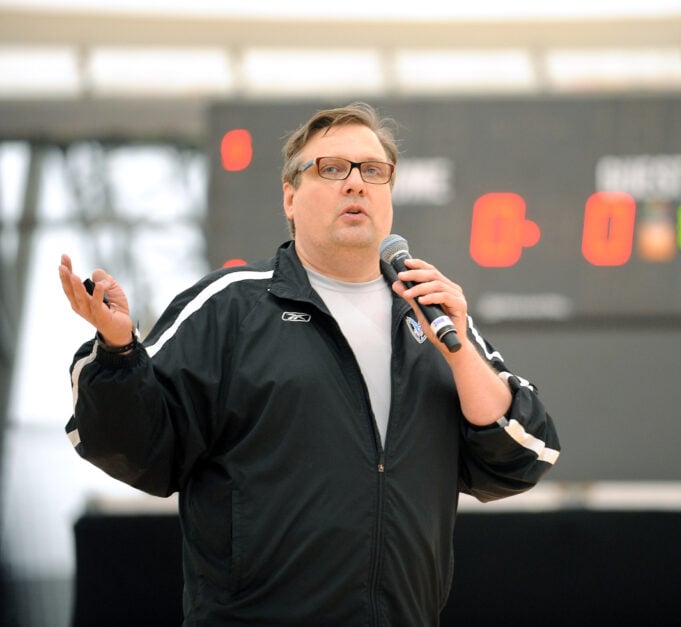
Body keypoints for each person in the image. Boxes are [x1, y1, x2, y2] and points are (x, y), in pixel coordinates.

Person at [59, 102, 560, 626]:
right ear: (290, 197)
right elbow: (134, 443)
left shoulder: (433, 313)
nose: (355, 183)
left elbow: (522, 458)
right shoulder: (231, 306)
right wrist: (118, 351)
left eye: (372, 170)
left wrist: (458, 355)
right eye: (331, 168)